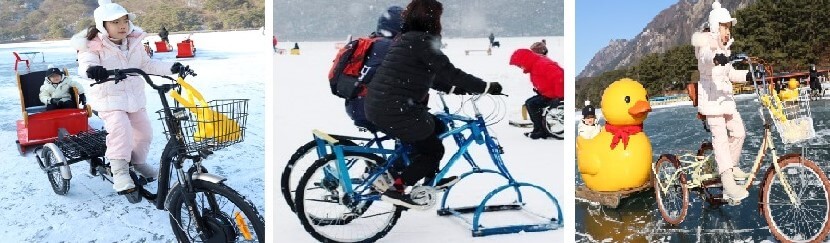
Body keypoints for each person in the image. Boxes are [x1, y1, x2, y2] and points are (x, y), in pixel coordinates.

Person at [364, 0, 502, 209]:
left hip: (380, 105)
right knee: (433, 151)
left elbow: (427, 74)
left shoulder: (405, 39)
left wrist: (454, 89)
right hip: (395, 110)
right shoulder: (423, 41)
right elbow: (450, 72)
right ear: (432, 19)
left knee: (438, 126)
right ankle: (397, 189)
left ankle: (430, 178)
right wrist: (486, 86)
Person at [72, 0, 184, 195]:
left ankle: (138, 162)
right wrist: (93, 70)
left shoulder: (134, 42)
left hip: (134, 98)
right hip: (109, 99)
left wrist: (171, 68)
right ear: (103, 25)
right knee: (120, 130)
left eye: (125, 20)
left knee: (144, 133)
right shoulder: (93, 45)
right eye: (115, 22)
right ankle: (120, 172)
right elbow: (86, 64)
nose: (122, 25)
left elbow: (146, 65)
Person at [691, 1, 751, 202]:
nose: (727, 32)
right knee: (721, 140)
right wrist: (715, 58)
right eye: (724, 27)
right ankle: (727, 182)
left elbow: (730, 73)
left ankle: (731, 167)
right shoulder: (706, 45)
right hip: (711, 102)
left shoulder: (725, 50)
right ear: (716, 27)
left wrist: (748, 76)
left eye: (729, 28)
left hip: (725, 100)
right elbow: (705, 58)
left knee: (739, 132)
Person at [342, 6, 404, 132]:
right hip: (374, 108)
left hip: (357, 105)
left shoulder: (374, 42)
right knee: (427, 131)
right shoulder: (388, 46)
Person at [509, 48, 564, 139]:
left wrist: (560, 97)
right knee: (530, 103)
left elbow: (560, 77)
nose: (520, 67)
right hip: (549, 94)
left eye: (520, 65)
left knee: (532, 104)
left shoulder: (542, 64)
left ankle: (541, 130)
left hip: (556, 95)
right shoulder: (535, 64)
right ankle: (538, 128)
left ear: (525, 61)